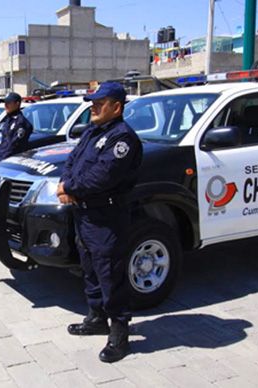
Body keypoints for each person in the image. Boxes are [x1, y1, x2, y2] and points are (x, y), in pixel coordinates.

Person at [57, 82, 143, 363]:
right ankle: (96, 318)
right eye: (92, 101)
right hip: (84, 214)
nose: (93, 106)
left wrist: (69, 188)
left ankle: (119, 334)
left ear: (116, 107)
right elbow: (72, 160)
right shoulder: (94, 131)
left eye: (99, 102)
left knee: (110, 274)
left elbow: (102, 177)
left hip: (107, 218)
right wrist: (66, 182)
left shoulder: (123, 140)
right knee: (90, 268)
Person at [0, 92, 33, 161]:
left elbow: (14, 146)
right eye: (5, 103)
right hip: (2, 159)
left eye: (8, 103)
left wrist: (1, 159)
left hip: (12, 161)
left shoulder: (21, 123)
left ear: (17, 104)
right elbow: (4, 142)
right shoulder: (9, 120)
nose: (6, 105)